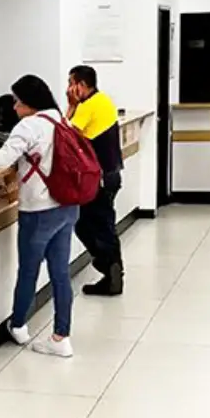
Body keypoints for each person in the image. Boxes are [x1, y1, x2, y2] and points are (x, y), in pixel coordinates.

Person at [0, 75, 78, 358]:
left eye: (18, 102)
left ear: (30, 103)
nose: (14, 107)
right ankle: (61, 336)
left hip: (39, 210)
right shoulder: (61, 119)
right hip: (67, 206)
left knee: (29, 271)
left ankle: (19, 325)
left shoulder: (29, 125)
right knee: (60, 273)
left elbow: (1, 161)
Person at [67, 65, 125, 295]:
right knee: (103, 225)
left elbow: (65, 137)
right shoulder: (104, 101)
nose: (68, 89)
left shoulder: (87, 107)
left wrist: (71, 106)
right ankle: (112, 271)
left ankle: (109, 270)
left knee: (89, 225)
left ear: (81, 85)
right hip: (111, 175)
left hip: (97, 179)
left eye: (71, 83)